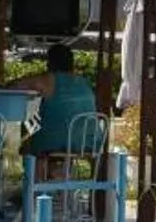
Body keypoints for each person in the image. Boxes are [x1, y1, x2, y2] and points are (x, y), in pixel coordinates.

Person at [14, 43, 99, 172]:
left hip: (57, 141)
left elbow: (16, 85)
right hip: (88, 141)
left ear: (51, 63)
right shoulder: (84, 82)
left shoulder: (49, 80)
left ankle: (34, 183)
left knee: (28, 131)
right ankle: (60, 176)